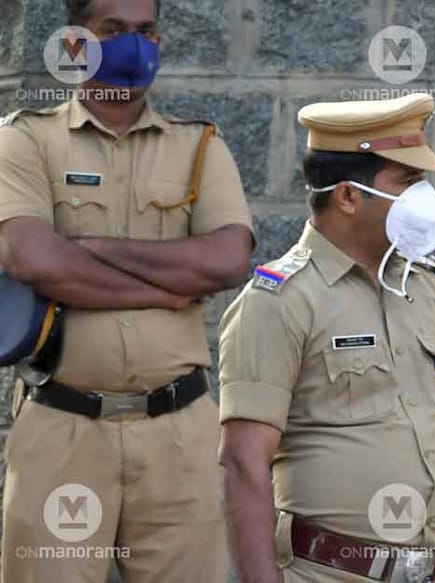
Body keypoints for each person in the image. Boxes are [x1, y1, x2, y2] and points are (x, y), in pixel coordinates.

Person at [218, 93, 435, 583]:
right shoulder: (278, 300)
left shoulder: (425, 287)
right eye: (408, 182)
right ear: (348, 197)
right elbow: (243, 463)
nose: (426, 200)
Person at [0, 0, 254, 581]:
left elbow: (226, 261)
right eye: (111, 30)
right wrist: (166, 289)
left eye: (145, 31)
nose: (133, 45)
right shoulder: (26, 141)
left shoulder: (199, 148)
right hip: (62, 427)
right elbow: (31, 258)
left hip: (179, 433)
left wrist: (91, 248)